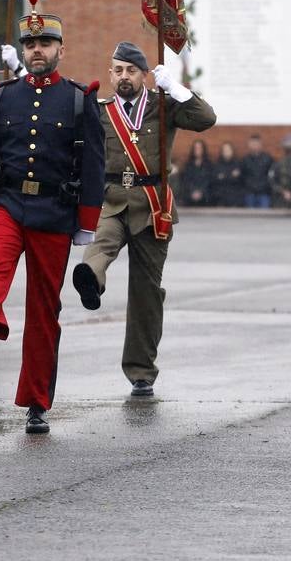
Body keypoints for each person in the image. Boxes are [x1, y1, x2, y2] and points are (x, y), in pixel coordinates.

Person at [0, 0, 104, 434]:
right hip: (8, 202)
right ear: (22, 51)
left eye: (45, 44)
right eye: (30, 45)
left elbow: (93, 165)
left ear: (60, 49)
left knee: (43, 308)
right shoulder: (3, 96)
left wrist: (87, 226)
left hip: (55, 211)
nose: (37, 51)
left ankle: (36, 401)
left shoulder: (78, 99)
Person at [73, 41, 217, 396]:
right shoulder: (99, 109)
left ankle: (140, 371)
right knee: (101, 244)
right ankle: (90, 280)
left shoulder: (162, 106)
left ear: (143, 75)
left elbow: (206, 119)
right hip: (111, 198)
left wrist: (177, 89)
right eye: (118, 70)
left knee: (146, 291)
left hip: (152, 204)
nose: (124, 77)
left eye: (131, 71)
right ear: (111, 74)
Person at [240, 134, 274, 208]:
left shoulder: (267, 159)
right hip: (249, 193)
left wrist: (266, 185)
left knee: (265, 217)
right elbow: (242, 176)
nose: (254, 145)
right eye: (252, 143)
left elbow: (272, 175)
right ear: (249, 144)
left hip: (264, 193)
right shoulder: (245, 160)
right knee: (249, 217)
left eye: (256, 143)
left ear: (260, 144)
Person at [179, 139, 214, 207]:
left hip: (204, 194)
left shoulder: (209, 165)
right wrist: (193, 191)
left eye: (199, 148)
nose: (197, 150)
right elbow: (187, 180)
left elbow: (209, 180)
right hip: (190, 194)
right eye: (196, 148)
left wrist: (201, 192)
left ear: (203, 149)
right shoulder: (188, 165)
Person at [210, 141, 243, 207]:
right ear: (222, 152)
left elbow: (239, 180)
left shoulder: (237, 164)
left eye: (228, 150)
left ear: (232, 151)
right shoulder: (217, 165)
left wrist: (224, 176)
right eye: (225, 150)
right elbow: (216, 180)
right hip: (220, 196)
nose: (226, 152)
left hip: (234, 196)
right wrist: (231, 175)